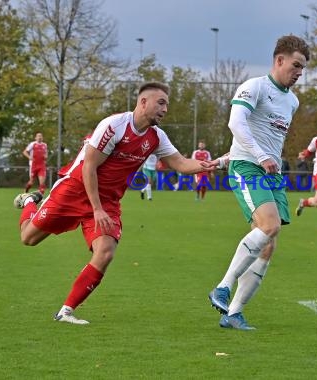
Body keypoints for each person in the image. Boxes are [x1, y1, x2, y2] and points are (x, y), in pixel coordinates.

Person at [13, 82, 219, 325]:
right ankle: (28, 200)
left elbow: (182, 164)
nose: (165, 109)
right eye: (160, 103)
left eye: (167, 105)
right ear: (143, 102)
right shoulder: (114, 126)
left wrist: (213, 164)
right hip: (75, 190)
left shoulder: (156, 137)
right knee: (28, 238)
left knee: (106, 251)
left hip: (108, 200)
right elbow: (89, 166)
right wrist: (96, 208)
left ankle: (66, 311)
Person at [208, 35, 310, 331]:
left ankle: (234, 313)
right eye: (296, 65)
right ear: (279, 60)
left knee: (268, 245)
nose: (299, 73)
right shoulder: (254, 87)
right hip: (249, 168)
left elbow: (265, 136)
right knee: (269, 226)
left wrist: (227, 156)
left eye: (302, 68)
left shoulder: (292, 101)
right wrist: (253, 156)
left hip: (270, 173)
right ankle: (223, 287)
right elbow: (236, 124)